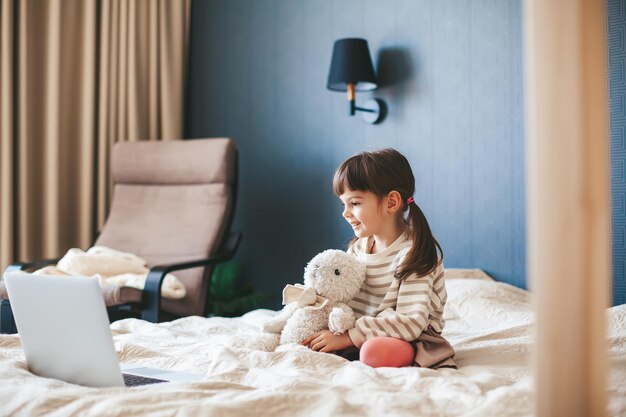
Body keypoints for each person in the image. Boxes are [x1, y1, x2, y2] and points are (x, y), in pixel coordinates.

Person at [301, 148, 456, 369]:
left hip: (408, 337)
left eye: (354, 203)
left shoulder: (415, 254)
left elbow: (411, 322)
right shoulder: (359, 247)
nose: (345, 213)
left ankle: (360, 348)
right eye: (343, 204)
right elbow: (343, 294)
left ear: (391, 202)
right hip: (359, 329)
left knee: (375, 351)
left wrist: (348, 337)